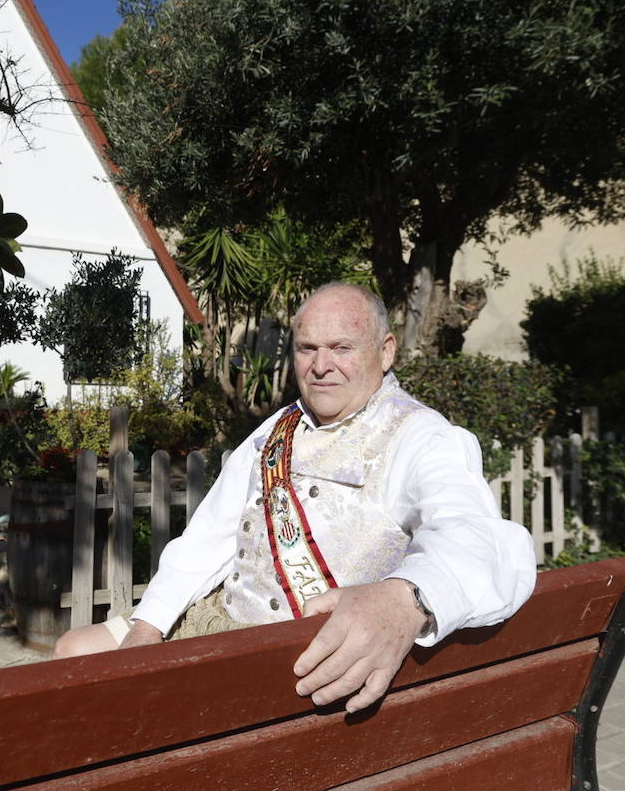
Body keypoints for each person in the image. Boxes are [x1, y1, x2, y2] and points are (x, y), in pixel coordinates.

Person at [54, 282, 536, 713]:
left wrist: (406, 600)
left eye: (341, 347)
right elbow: (208, 537)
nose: (321, 365)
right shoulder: (276, 429)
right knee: (75, 653)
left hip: (298, 662)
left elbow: (477, 539)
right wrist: (150, 625)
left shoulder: (422, 437)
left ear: (386, 351)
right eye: (308, 348)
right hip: (225, 623)